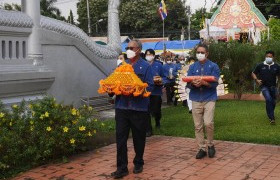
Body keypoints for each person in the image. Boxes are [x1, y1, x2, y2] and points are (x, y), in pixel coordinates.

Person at [111, 40, 154, 179]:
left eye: (131, 48)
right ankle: (121, 167)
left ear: (139, 50)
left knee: (138, 137)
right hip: (122, 107)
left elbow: (150, 87)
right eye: (127, 47)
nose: (128, 50)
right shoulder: (122, 66)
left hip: (138, 108)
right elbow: (113, 83)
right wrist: (111, 89)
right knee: (120, 138)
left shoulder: (146, 67)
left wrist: (136, 90)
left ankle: (138, 162)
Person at [187, 44, 220, 159]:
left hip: (209, 98)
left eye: (202, 52)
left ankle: (210, 145)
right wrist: (193, 83)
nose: (199, 54)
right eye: (198, 52)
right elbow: (188, 82)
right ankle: (201, 148)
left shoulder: (213, 66)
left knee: (208, 123)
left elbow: (215, 83)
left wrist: (204, 83)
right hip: (195, 98)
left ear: (207, 53)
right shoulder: (192, 67)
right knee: (197, 125)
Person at [252, 50, 280, 125]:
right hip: (264, 86)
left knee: (273, 102)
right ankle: (272, 118)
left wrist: (278, 87)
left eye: (270, 57)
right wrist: (256, 80)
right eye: (267, 56)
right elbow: (253, 73)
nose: (268, 58)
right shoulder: (260, 65)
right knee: (268, 99)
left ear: (273, 57)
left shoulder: (277, 66)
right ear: (265, 57)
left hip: (273, 87)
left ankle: (270, 113)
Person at [145, 49, 163, 137]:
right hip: (146, 91)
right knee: (146, 110)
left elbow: (164, 76)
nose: (148, 56)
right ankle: (148, 129)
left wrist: (161, 81)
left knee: (156, 109)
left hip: (156, 91)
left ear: (153, 55)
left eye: (150, 54)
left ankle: (157, 120)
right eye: (147, 54)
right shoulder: (144, 65)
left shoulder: (159, 65)